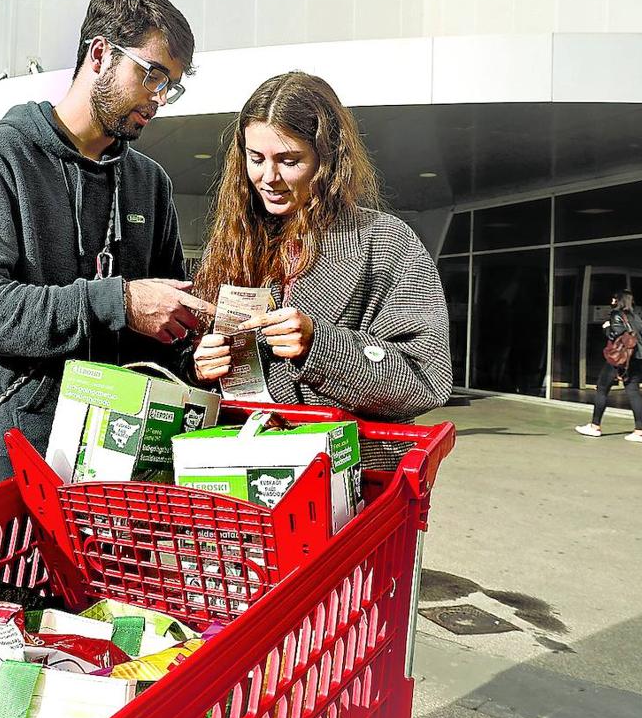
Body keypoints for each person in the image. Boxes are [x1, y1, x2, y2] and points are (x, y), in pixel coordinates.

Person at [0, 0, 214, 494]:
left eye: (171, 86)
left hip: (124, 459)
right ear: (100, 54)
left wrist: (199, 350)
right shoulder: (1, 156)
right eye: (152, 75)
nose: (158, 100)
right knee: (6, 579)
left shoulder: (149, 183)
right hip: (17, 455)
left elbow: (166, 321)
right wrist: (121, 301)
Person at [191, 72, 453, 469]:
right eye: (255, 158)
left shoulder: (385, 242)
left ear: (328, 158)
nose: (268, 178)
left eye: (289, 160)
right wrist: (200, 364)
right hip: (239, 471)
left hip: (351, 481)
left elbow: (427, 380)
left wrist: (320, 345)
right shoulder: (230, 244)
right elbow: (191, 353)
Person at [575, 289, 642, 443]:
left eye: (614, 298)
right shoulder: (636, 317)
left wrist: (606, 327)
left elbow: (614, 334)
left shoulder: (617, 314)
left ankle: (595, 426)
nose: (612, 301)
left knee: (602, 389)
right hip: (638, 358)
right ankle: (639, 431)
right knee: (634, 392)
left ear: (619, 301)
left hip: (620, 359)